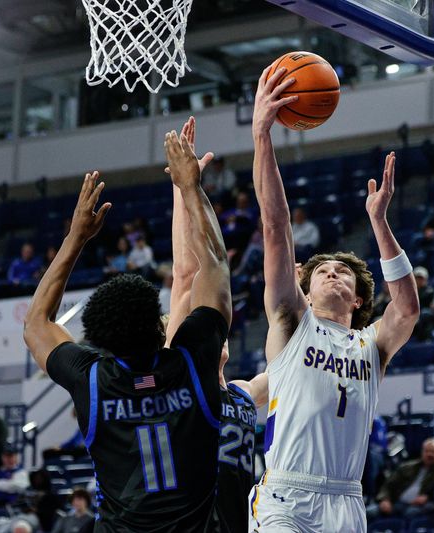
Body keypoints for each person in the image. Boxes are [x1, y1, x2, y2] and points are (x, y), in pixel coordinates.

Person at [23, 128, 232, 531]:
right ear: (160, 325)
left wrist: (76, 238)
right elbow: (216, 264)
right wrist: (190, 188)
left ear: (100, 342)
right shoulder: (191, 358)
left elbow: (36, 324)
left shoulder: (93, 379)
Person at [249, 66, 419, 532]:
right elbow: (276, 226)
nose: (330, 274)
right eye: (321, 270)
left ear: (360, 297)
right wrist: (262, 134)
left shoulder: (372, 346)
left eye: (342, 270)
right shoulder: (290, 321)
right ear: (306, 286)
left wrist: (379, 223)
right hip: (285, 493)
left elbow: (406, 309)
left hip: (346, 501)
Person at [162, 117, 267, 533]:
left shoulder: (243, 393)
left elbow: (290, 367)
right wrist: (183, 188)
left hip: (235, 524)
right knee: (192, 277)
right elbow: (186, 271)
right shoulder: (180, 377)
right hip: (187, 522)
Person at [370, 439, 434, 520]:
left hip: (418, 506)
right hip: (395, 502)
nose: (429, 454)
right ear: (422, 452)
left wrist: (428, 498)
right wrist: (385, 499)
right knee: (369, 512)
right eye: (427, 451)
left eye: (433, 451)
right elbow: (388, 484)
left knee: (411, 513)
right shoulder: (407, 467)